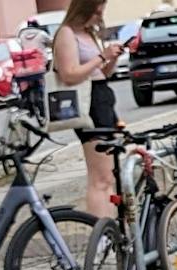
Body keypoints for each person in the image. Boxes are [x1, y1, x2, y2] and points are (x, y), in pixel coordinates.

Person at [53, 0, 124, 217]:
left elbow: (101, 72)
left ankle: (111, 228)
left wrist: (110, 59)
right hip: (88, 103)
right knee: (100, 177)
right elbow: (69, 74)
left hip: (103, 98)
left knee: (110, 175)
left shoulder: (89, 33)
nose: (99, 14)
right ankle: (101, 233)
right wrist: (101, 57)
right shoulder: (66, 33)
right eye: (95, 10)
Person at [14, 21, 53, 121]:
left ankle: (27, 107)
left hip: (24, 67)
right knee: (41, 86)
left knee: (24, 86)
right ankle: (43, 109)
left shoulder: (21, 35)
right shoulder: (42, 34)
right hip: (38, 67)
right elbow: (51, 43)